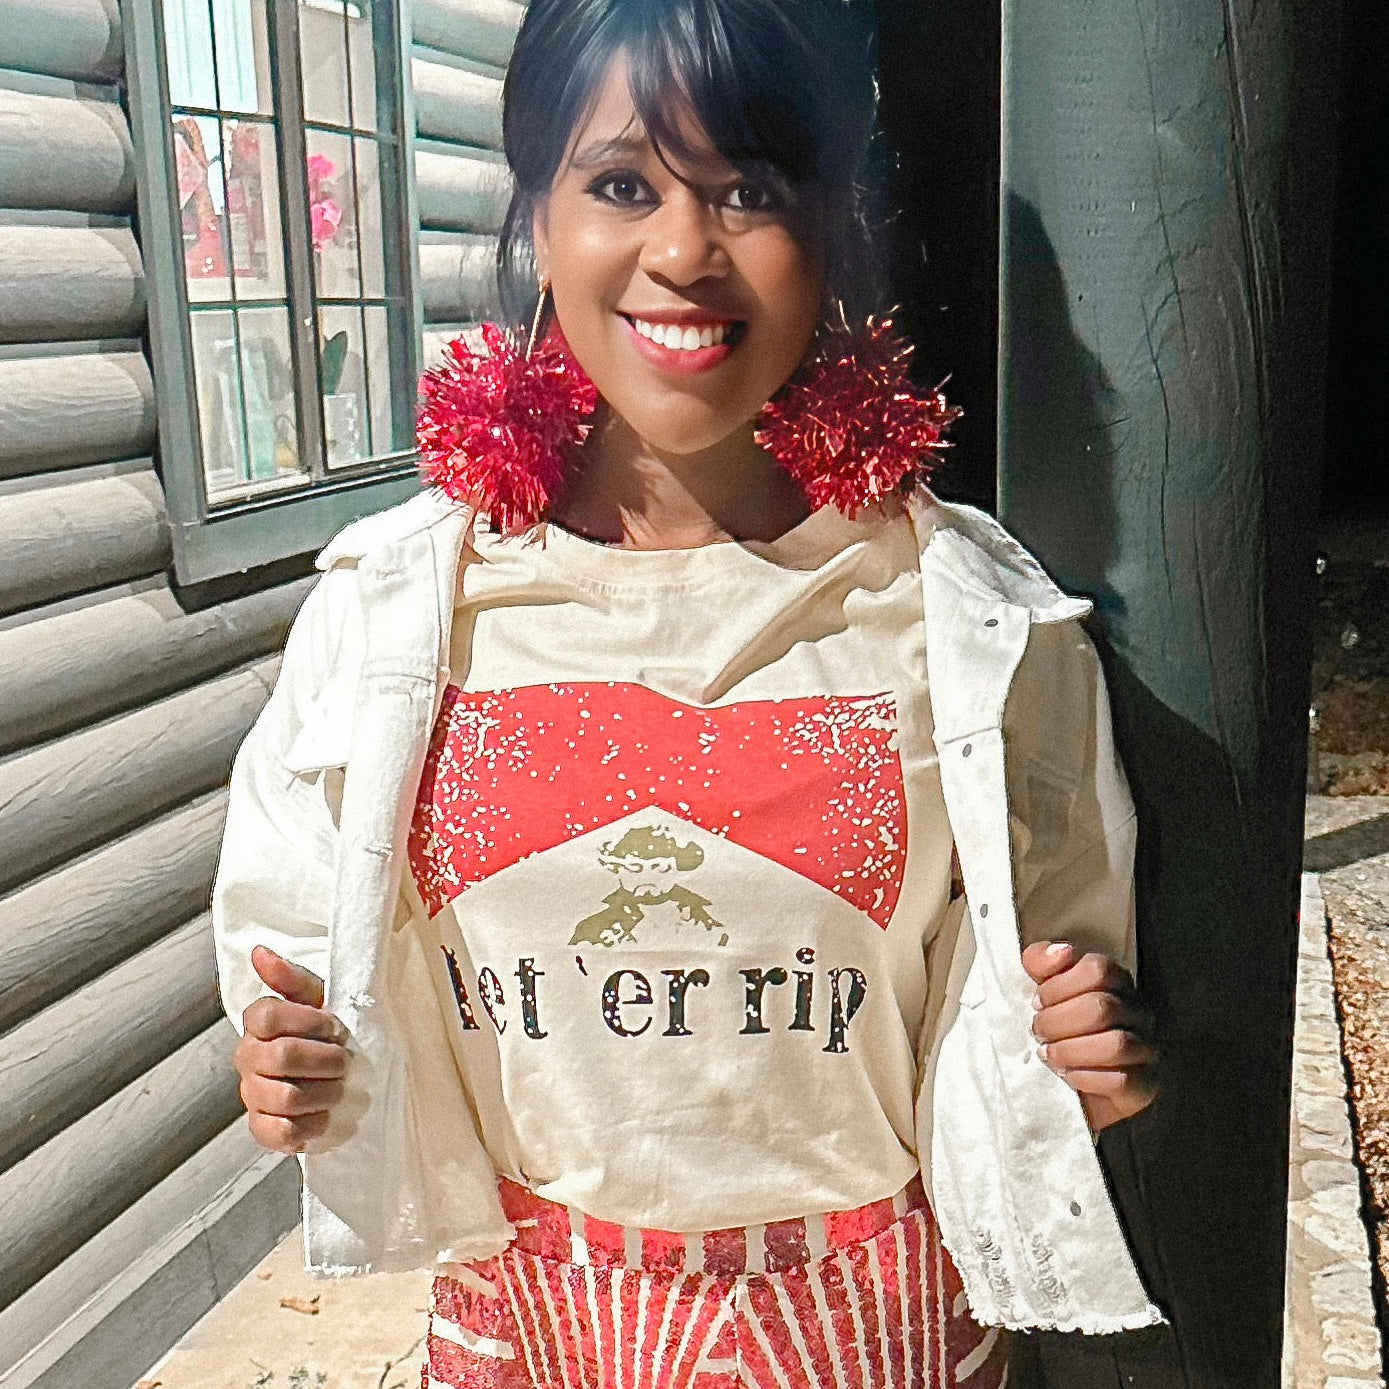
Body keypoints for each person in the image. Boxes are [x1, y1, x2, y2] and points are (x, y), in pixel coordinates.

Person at [212, 1, 1162, 1384]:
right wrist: (291, 1059)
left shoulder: (974, 620)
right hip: (522, 1336)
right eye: (620, 184)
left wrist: (1088, 1055)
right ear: (535, 213)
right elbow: (291, 943)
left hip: (874, 1339)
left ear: (830, 226)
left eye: (749, 192)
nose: (679, 251)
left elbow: (1046, 1006)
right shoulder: (393, 611)